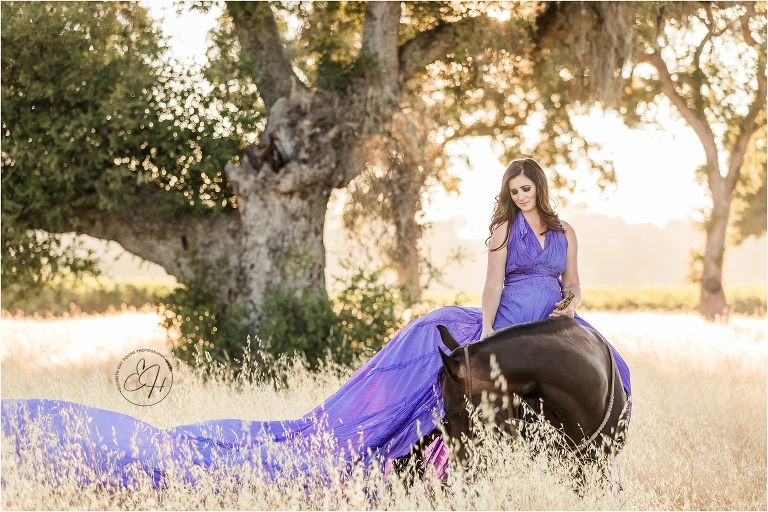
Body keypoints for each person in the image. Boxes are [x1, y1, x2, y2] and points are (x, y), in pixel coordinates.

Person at [1, 158, 630, 488]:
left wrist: (571, 300)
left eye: (527, 189)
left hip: (549, 316)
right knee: (460, 371)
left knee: (607, 369)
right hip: (505, 317)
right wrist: (487, 333)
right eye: (512, 190)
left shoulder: (566, 230)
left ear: (540, 189)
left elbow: (574, 279)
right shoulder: (500, 232)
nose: (520, 197)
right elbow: (492, 285)